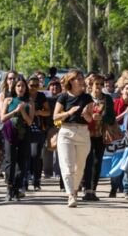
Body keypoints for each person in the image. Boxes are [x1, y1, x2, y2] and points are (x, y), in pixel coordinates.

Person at [53, 70, 93, 208]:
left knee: (79, 167)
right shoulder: (63, 97)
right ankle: (70, 194)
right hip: (66, 131)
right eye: (78, 78)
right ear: (71, 81)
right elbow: (55, 116)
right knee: (67, 165)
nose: (82, 81)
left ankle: (75, 189)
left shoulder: (87, 98)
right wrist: (69, 112)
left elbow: (90, 119)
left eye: (82, 78)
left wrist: (87, 115)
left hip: (83, 132)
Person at [1, 77, 34, 201]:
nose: (21, 88)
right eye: (18, 86)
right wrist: (15, 111)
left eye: (23, 86)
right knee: (10, 161)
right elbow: (3, 118)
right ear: (14, 88)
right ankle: (9, 187)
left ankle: (17, 188)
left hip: (24, 133)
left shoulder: (29, 102)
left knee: (22, 162)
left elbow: (30, 122)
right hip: (10, 133)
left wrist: (23, 112)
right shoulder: (8, 100)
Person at [83, 74, 115, 201]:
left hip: (101, 134)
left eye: (102, 84)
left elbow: (112, 116)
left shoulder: (107, 99)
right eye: (97, 84)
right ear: (91, 85)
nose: (100, 87)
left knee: (97, 162)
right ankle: (85, 189)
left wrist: (102, 117)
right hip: (85, 134)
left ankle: (92, 190)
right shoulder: (85, 98)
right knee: (87, 162)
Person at [110, 81, 128, 199]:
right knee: (116, 162)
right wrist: (124, 114)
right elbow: (113, 120)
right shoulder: (115, 103)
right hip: (116, 137)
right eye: (126, 88)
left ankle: (127, 189)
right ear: (121, 91)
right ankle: (114, 188)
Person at [27, 75, 50, 191]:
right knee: (27, 155)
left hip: (39, 128)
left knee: (36, 154)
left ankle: (36, 180)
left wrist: (39, 112)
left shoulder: (41, 96)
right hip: (25, 129)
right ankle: (26, 178)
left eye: (37, 85)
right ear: (27, 85)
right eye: (32, 85)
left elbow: (48, 112)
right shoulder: (24, 95)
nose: (34, 87)